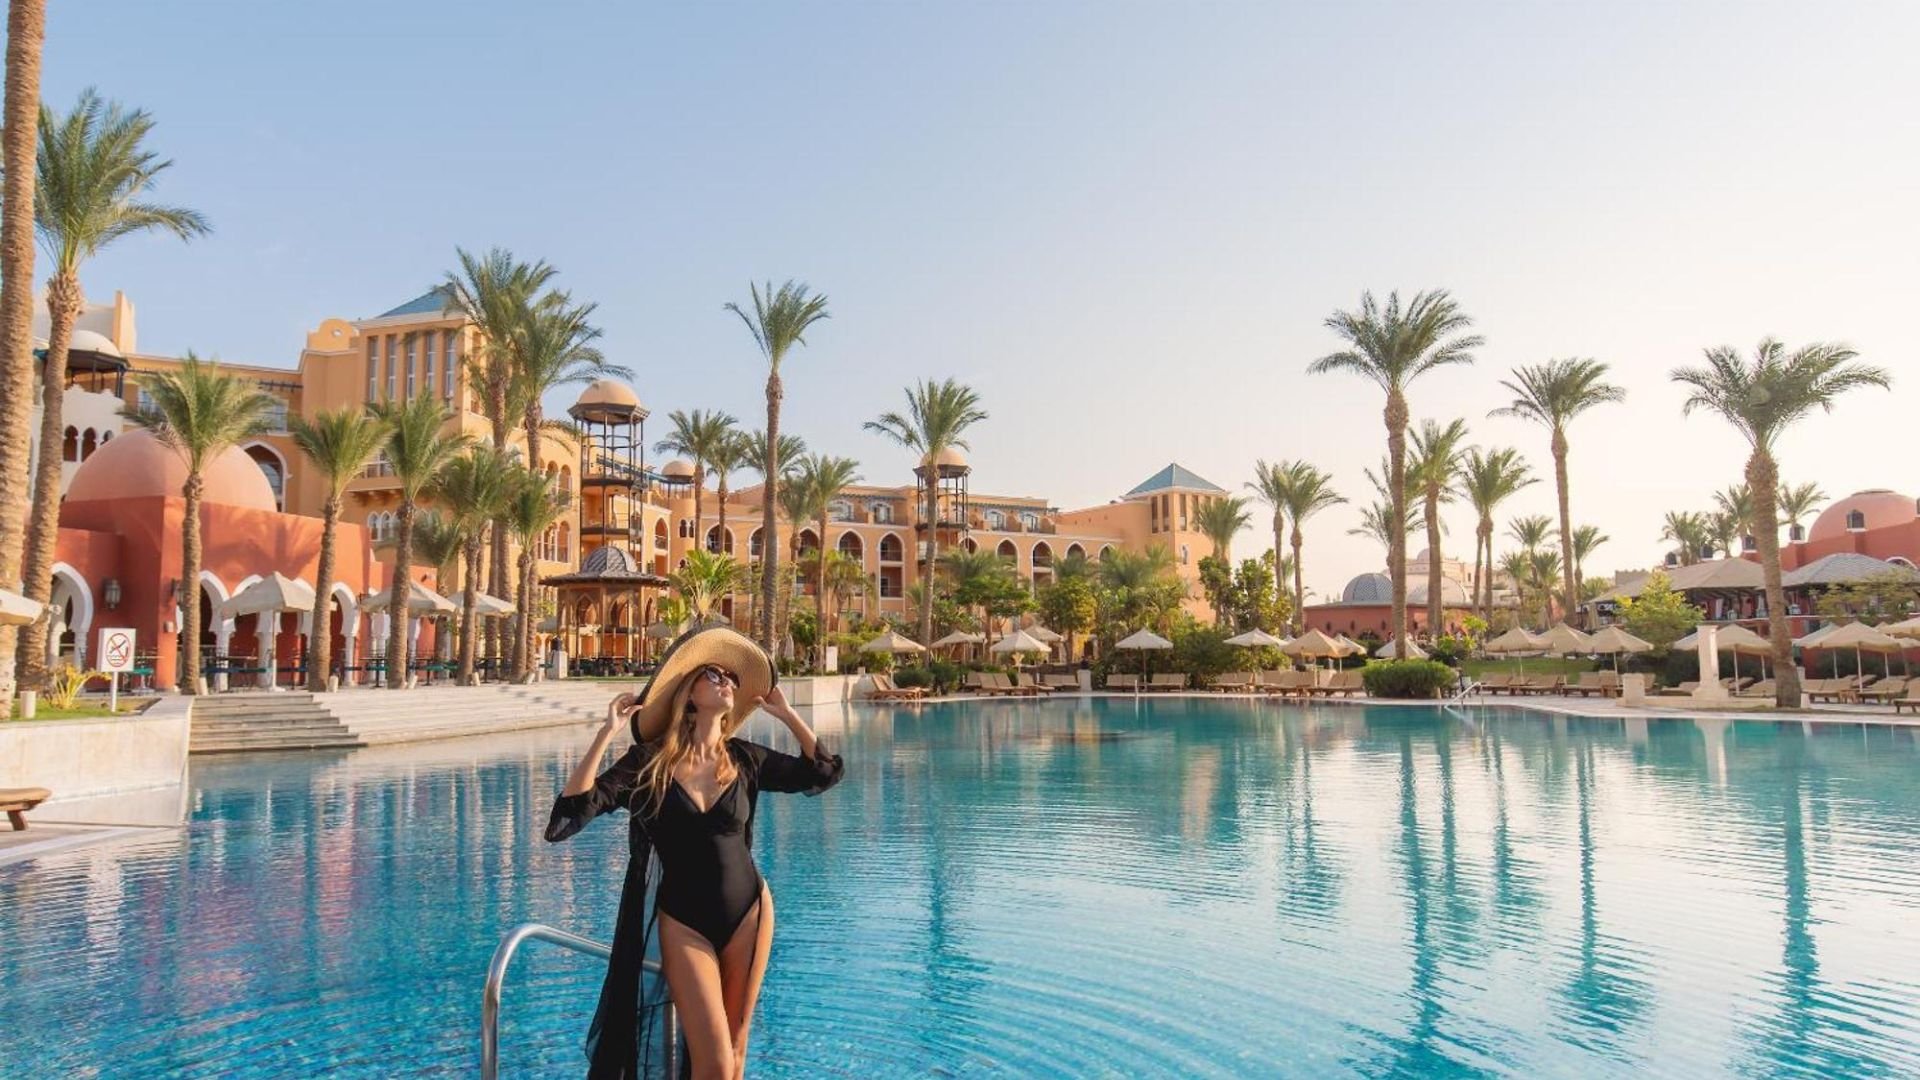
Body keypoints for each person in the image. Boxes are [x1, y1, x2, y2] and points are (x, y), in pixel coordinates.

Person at [546, 626, 843, 1079]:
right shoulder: (648, 763)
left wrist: (787, 715)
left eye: (731, 678)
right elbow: (574, 809)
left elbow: (822, 772)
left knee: (736, 1053)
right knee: (714, 1062)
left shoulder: (744, 759)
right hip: (683, 922)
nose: (727, 682)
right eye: (714, 674)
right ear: (688, 694)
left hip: (750, 913)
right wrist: (607, 733)